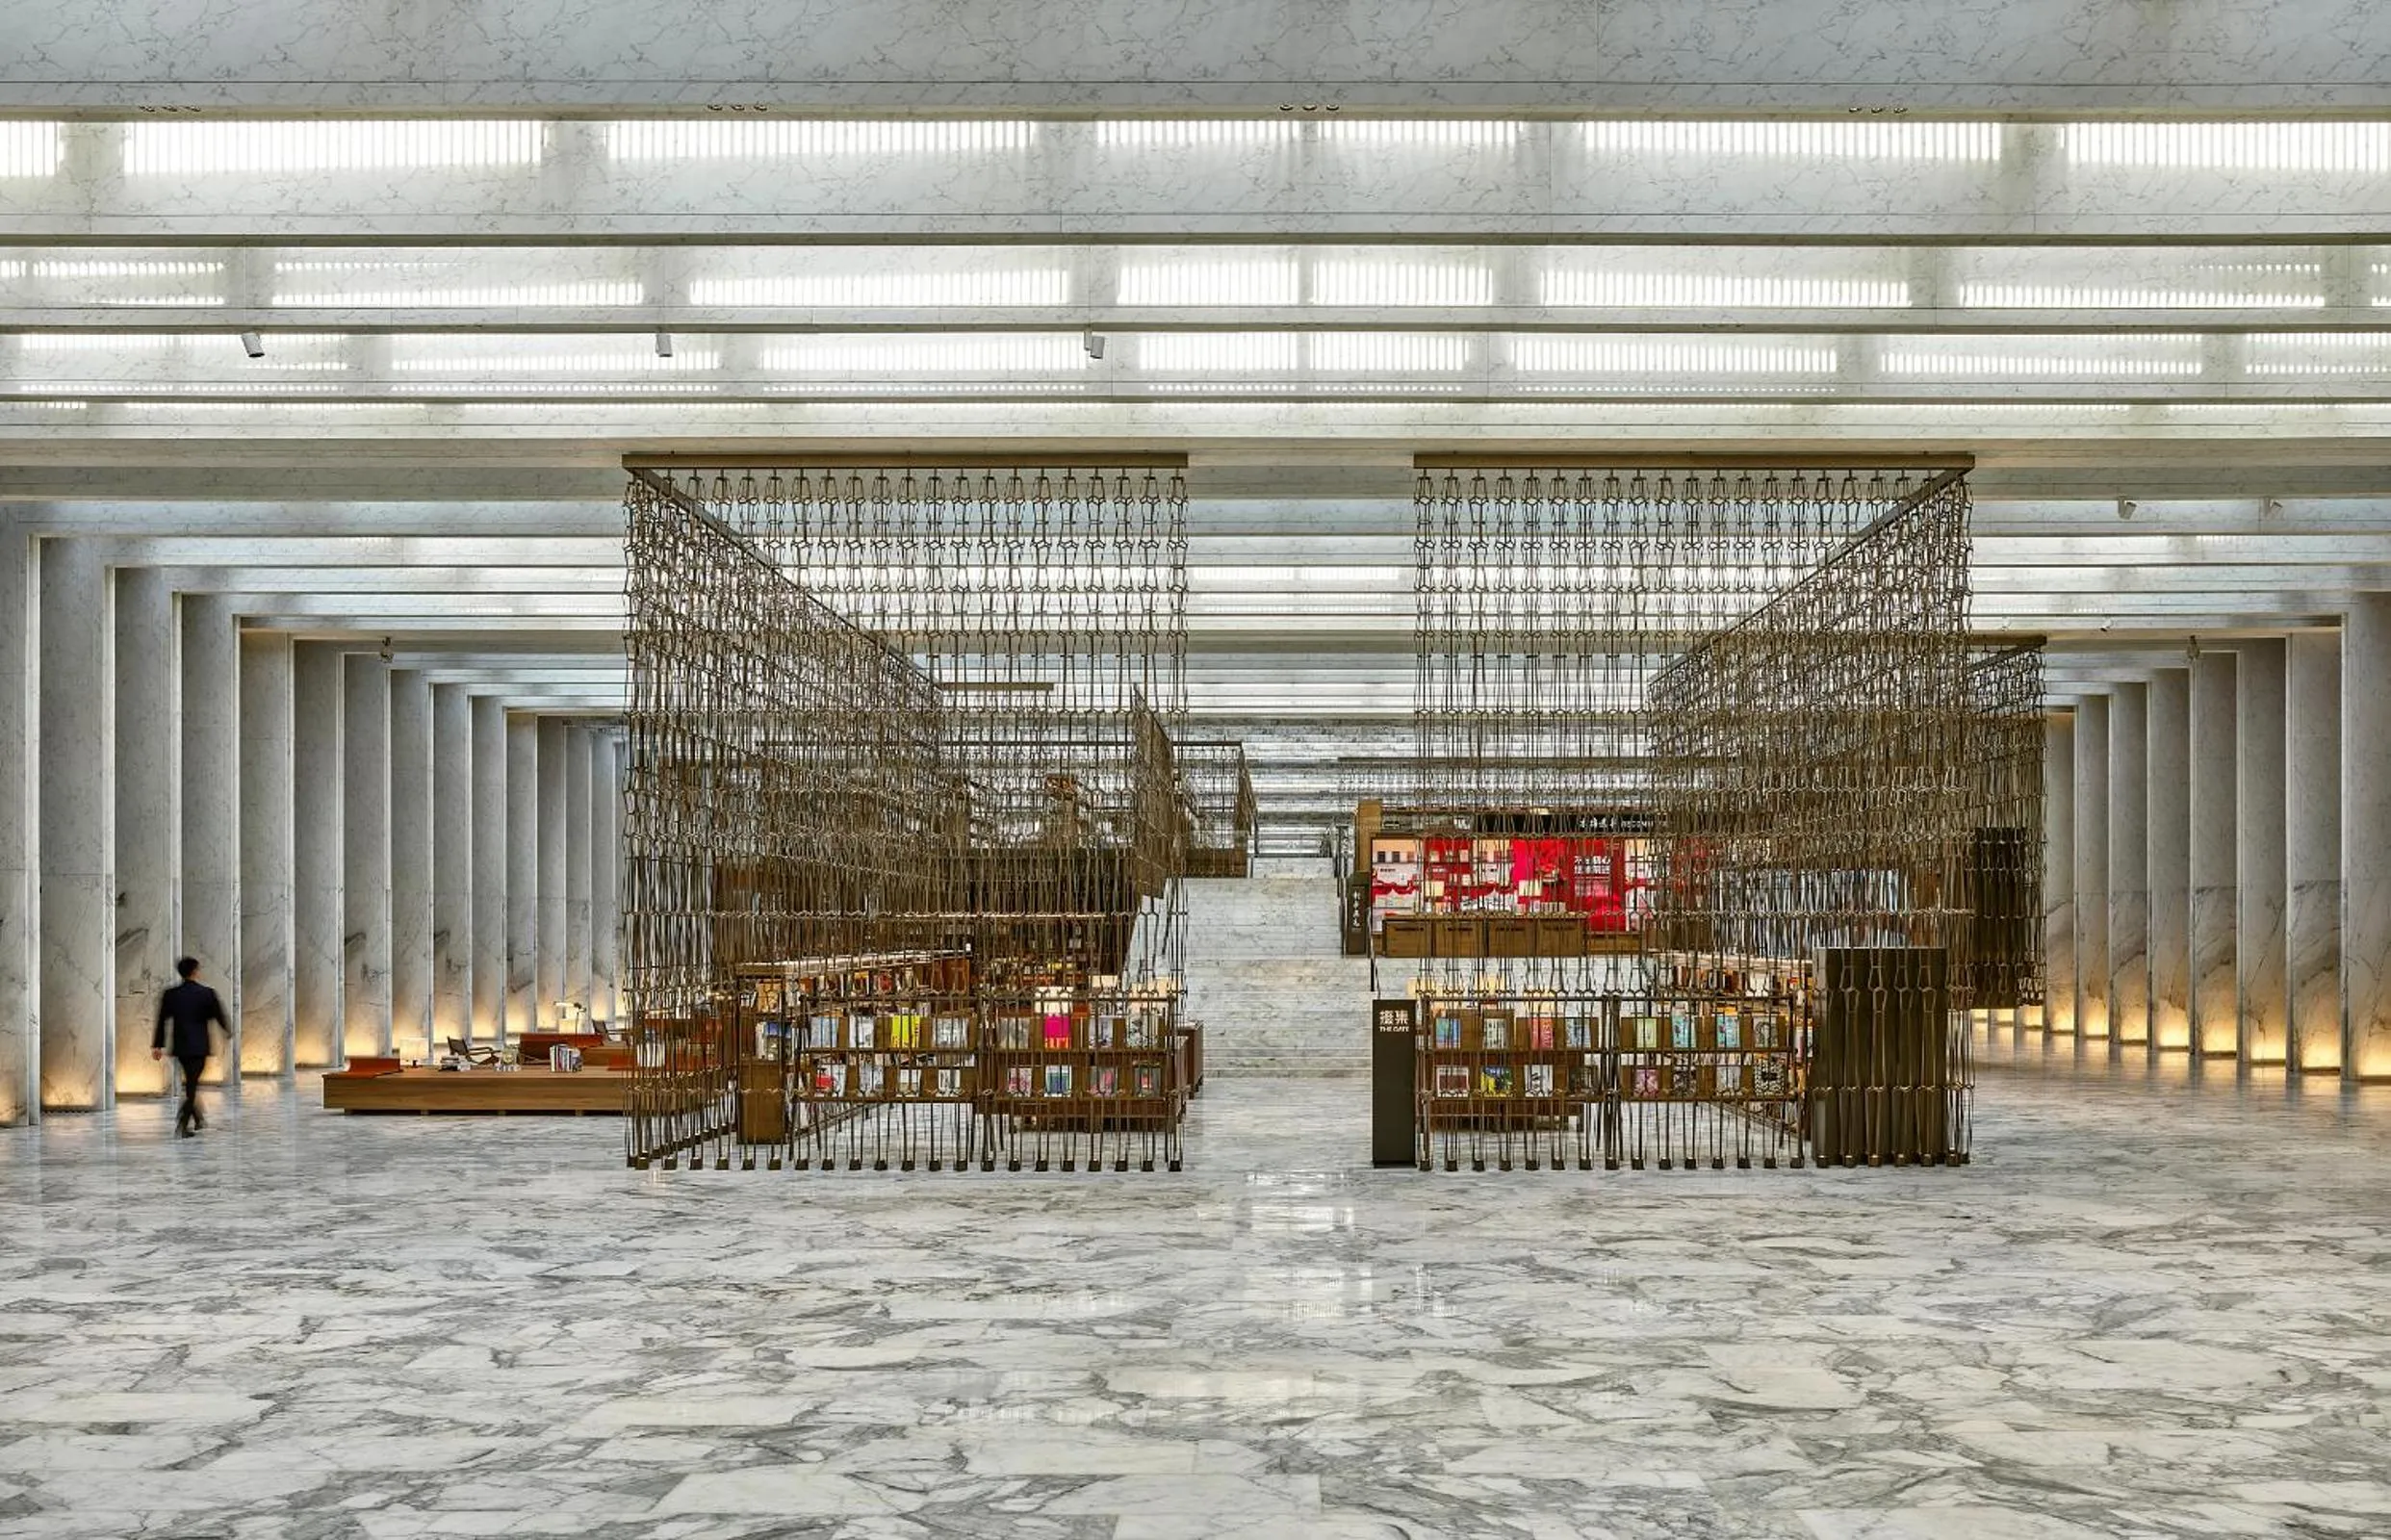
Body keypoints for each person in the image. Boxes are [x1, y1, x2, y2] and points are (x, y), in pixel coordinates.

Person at [152, 957, 227, 1139]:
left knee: (191, 1082)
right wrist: (227, 1030)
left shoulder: (171, 994)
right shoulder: (207, 993)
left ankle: (198, 1118)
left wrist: (157, 1045)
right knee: (192, 1084)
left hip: (181, 1046)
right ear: (194, 971)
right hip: (199, 1046)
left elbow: (162, 1020)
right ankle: (182, 1122)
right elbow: (218, 1015)